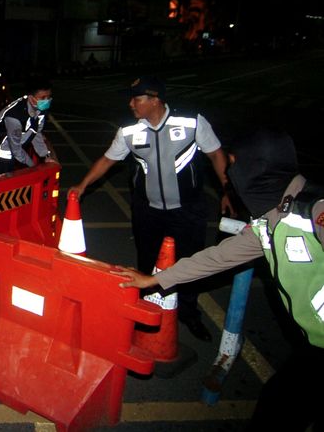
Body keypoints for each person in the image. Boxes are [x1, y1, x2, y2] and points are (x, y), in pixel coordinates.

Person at [113, 128, 323, 432]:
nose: (230, 174)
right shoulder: (270, 219)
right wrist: (154, 280)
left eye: (235, 164)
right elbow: (218, 258)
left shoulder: (314, 209)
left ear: (259, 165)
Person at [70, 75, 232, 342]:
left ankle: (189, 312)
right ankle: (146, 312)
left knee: (189, 262)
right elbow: (108, 160)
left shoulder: (191, 122)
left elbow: (216, 153)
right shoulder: (130, 131)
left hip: (188, 209)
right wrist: (83, 185)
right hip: (148, 211)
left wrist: (228, 191)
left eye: (137, 98)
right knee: (146, 262)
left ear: (155, 100)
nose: (131, 104)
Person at [0, 76, 57, 176]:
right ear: (31, 97)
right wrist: (33, 167)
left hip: (11, 148)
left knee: (10, 181)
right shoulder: (15, 116)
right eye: (42, 98)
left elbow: (36, 133)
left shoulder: (41, 109)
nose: (47, 101)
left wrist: (46, 156)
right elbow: (16, 150)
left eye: (49, 97)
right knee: (0, 184)